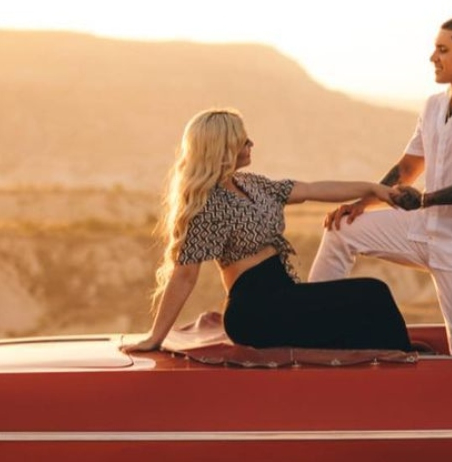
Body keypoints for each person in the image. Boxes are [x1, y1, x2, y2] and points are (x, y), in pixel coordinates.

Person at [308, 16, 452, 356]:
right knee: (342, 229)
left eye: (442, 50)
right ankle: (312, 326)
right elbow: (409, 167)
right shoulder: (433, 106)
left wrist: (424, 200)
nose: (432, 58)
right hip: (422, 230)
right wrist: (362, 205)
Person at [121, 108, 413, 353]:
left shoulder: (252, 184)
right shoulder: (205, 204)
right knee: (372, 293)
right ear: (222, 148)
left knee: (366, 302)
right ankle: (406, 363)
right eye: (243, 140)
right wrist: (154, 339)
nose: (251, 143)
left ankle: (397, 359)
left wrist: (374, 189)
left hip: (284, 295)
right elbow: (184, 277)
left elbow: (313, 189)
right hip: (255, 311)